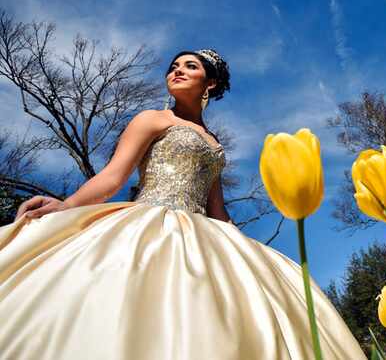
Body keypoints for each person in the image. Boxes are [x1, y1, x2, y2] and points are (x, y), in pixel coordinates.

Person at [0, 49, 365, 359]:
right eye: (174, 66)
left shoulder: (214, 142)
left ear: (211, 84)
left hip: (204, 231)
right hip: (147, 224)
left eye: (190, 66)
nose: (177, 70)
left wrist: (244, 250)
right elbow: (113, 177)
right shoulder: (152, 119)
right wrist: (66, 207)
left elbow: (217, 208)